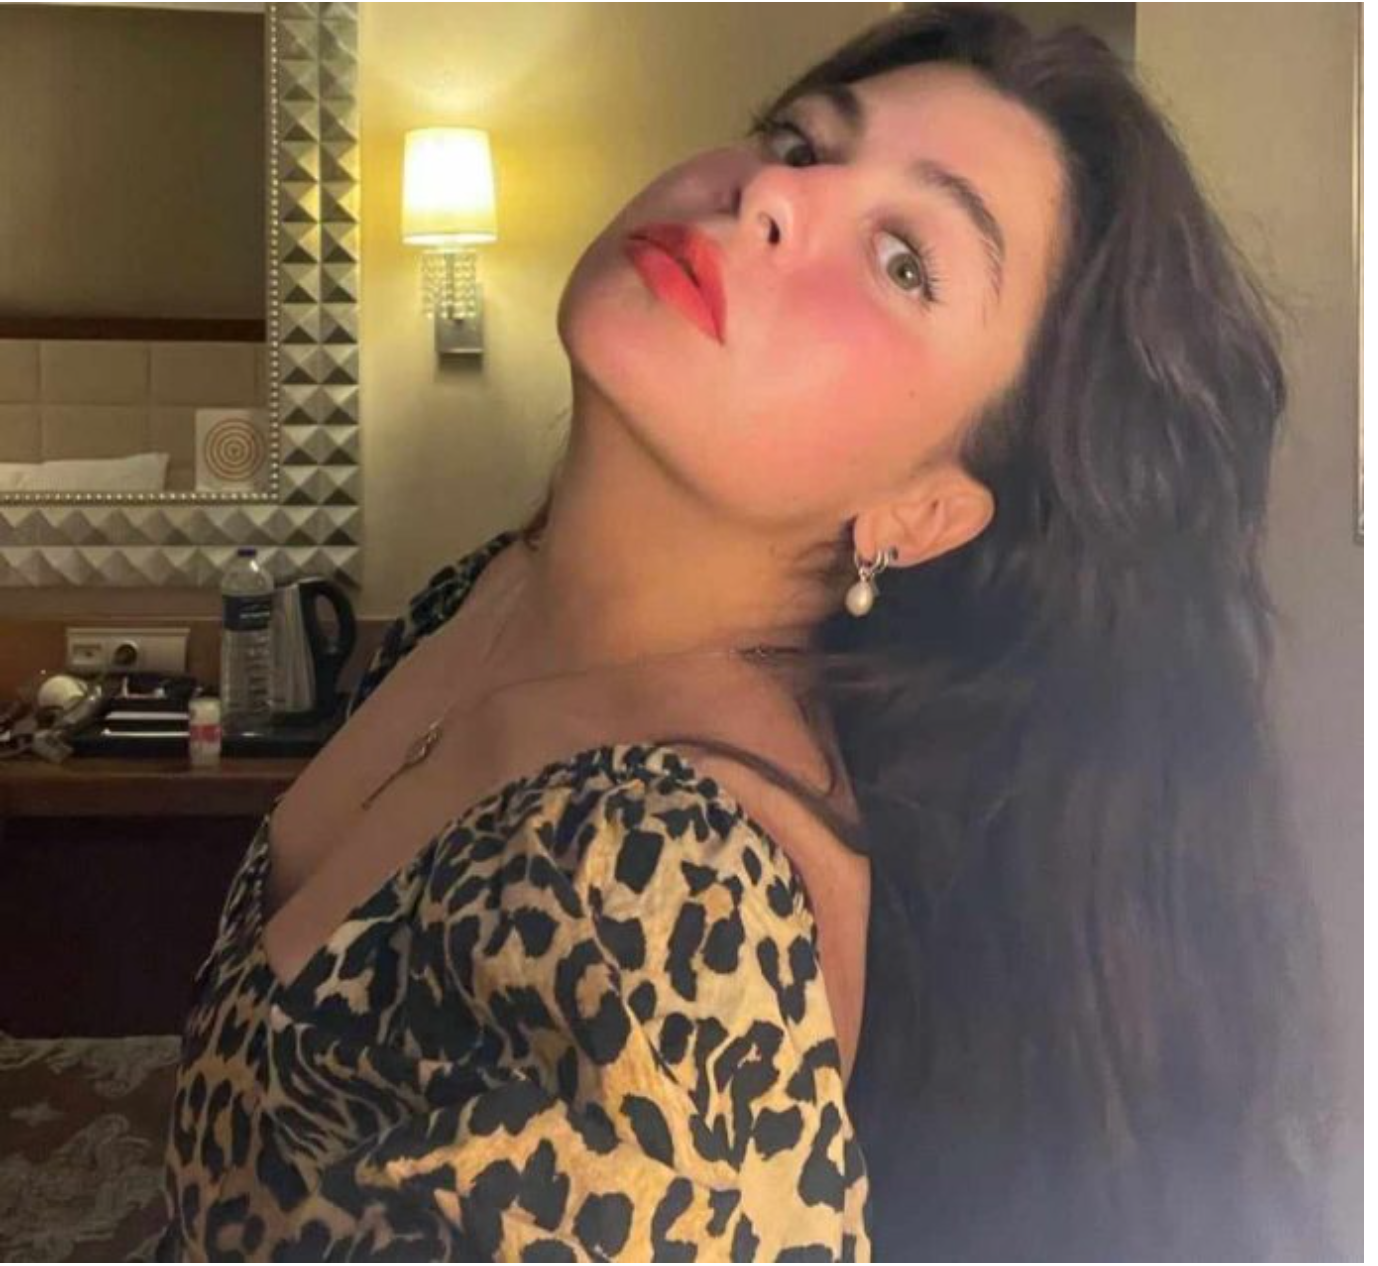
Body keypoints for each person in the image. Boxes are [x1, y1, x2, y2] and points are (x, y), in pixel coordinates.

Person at [155, 4, 1338, 1260]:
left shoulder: (672, 898)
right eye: (799, 140)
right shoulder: (479, 596)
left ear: (925, 510)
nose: (773, 194)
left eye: (904, 261)